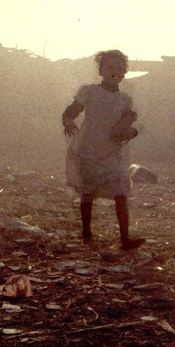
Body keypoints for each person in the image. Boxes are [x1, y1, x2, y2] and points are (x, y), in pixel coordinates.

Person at [61, 49, 144, 250]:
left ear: (124, 73)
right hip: (88, 150)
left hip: (112, 152)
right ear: (101, 71)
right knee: (87, 193)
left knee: (120, 192)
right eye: (110, 67)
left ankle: (125, 238)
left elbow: (124, 126)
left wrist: (130, 130)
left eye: (119, 68)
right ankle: (86, 232)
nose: (115, 71)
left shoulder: (125, 100)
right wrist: (68, 120)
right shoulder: (90, 92)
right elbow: (72, 110)